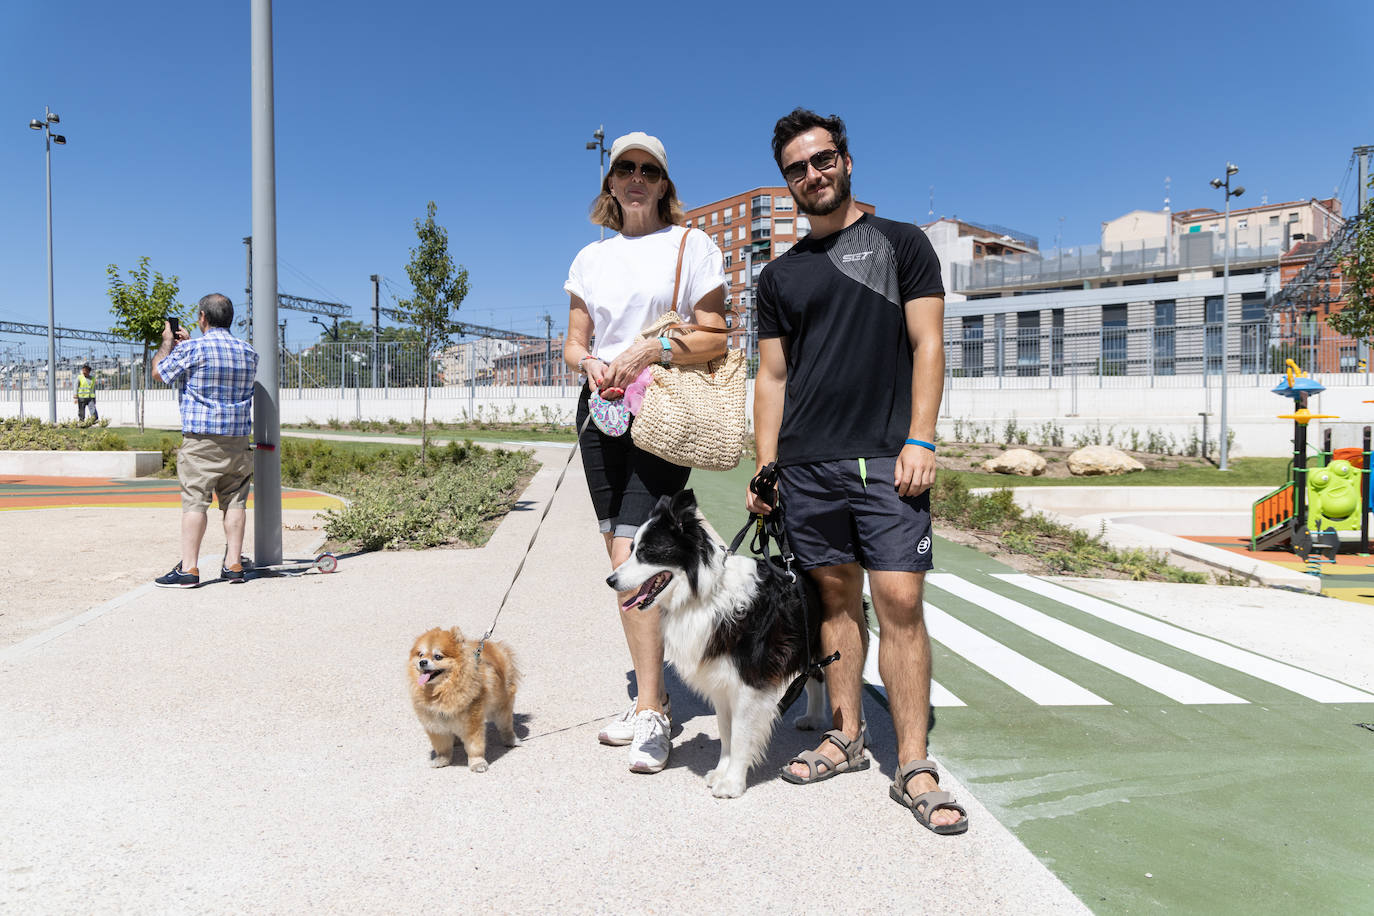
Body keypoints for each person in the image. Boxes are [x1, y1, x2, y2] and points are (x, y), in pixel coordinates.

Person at [745, 109, 968, 834]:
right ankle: (846, 734)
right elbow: (772, 378)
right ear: (787, 184)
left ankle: (913, 764)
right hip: (808, 465)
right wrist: (766, 465)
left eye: (823, 160)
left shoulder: (901, 245)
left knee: (900, 600)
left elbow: (928, 344)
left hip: (887, 458)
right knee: (835, 604)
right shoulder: (778, 277)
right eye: (797, 169)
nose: (813, 175)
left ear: (846, 160)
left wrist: (922, 439)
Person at [563, 131, 728, 774]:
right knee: (617, 549)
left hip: (661, 408)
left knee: (636, 549)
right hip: (600, 410)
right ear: (609, 183)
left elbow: (715, 334)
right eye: (623, 169)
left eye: (648, 170)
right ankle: (648, 697)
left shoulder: (692, 245)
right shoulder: (589, 259)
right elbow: (575, 344)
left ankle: (655, 709)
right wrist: (594, 362)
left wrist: (643, 351)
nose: (635, 178)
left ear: (664, 184)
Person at [151, 293, 259, 588]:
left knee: (195, 504)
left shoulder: (193, 349)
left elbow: (159, 373)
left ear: (202, 317)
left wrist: (168, 344)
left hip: (201, 441)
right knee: (235, 503)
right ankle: (234, 564)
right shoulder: (248, 351)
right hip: (237, 440)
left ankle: (189, 569)